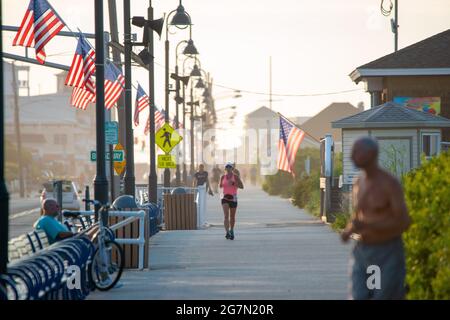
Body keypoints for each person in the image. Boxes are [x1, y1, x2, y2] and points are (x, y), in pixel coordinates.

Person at [341, 137, 411, 300]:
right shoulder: (359, 182)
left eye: (356, 152)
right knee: (359, 296)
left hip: (386, 251)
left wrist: (368, 224)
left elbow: (403, 221)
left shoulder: (389, 183)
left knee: (383, 296)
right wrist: (348, 230)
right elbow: (358, 215)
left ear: (371, 154)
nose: (352, 156)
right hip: (362, 251)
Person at [220, 162, 244, 240]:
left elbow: (242, 186)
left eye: (230, 167)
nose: (228, 168)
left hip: (233, 198)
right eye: (227, 167)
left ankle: (232, 230)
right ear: (225, 169)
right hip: (225, 197)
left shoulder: (236, 177)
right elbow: (220, 185)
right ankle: (227, 232)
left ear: (232, 168)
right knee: (226, 216)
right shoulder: (222, 177)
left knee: (232, 217)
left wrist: (234, 183)